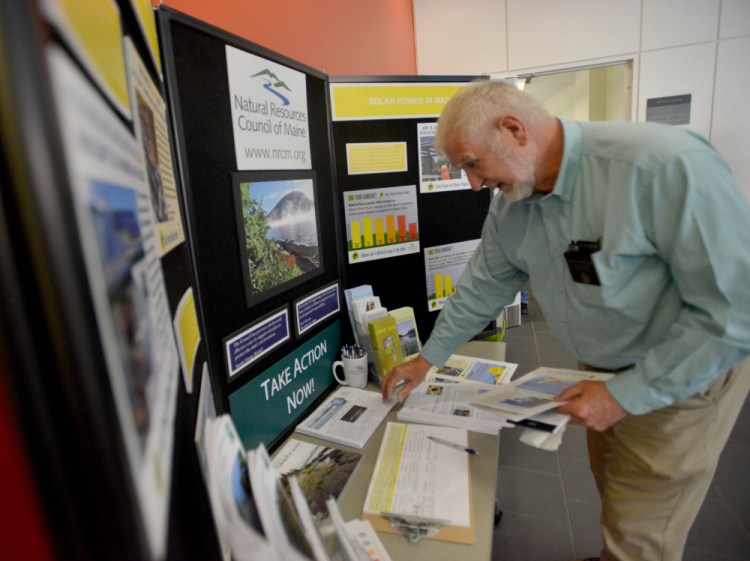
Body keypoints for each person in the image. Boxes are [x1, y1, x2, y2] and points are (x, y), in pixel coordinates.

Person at [381, 80, 750, 561]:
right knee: (615, 486)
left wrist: (624, 395)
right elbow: (483, 285)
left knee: (644, 525)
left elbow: (735, 313)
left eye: (472, 163)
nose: (472, 184)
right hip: (597, 371)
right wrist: (427, 359)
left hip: (676, 374)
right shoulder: (513, 198)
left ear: (513, 130)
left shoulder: (661, 166)